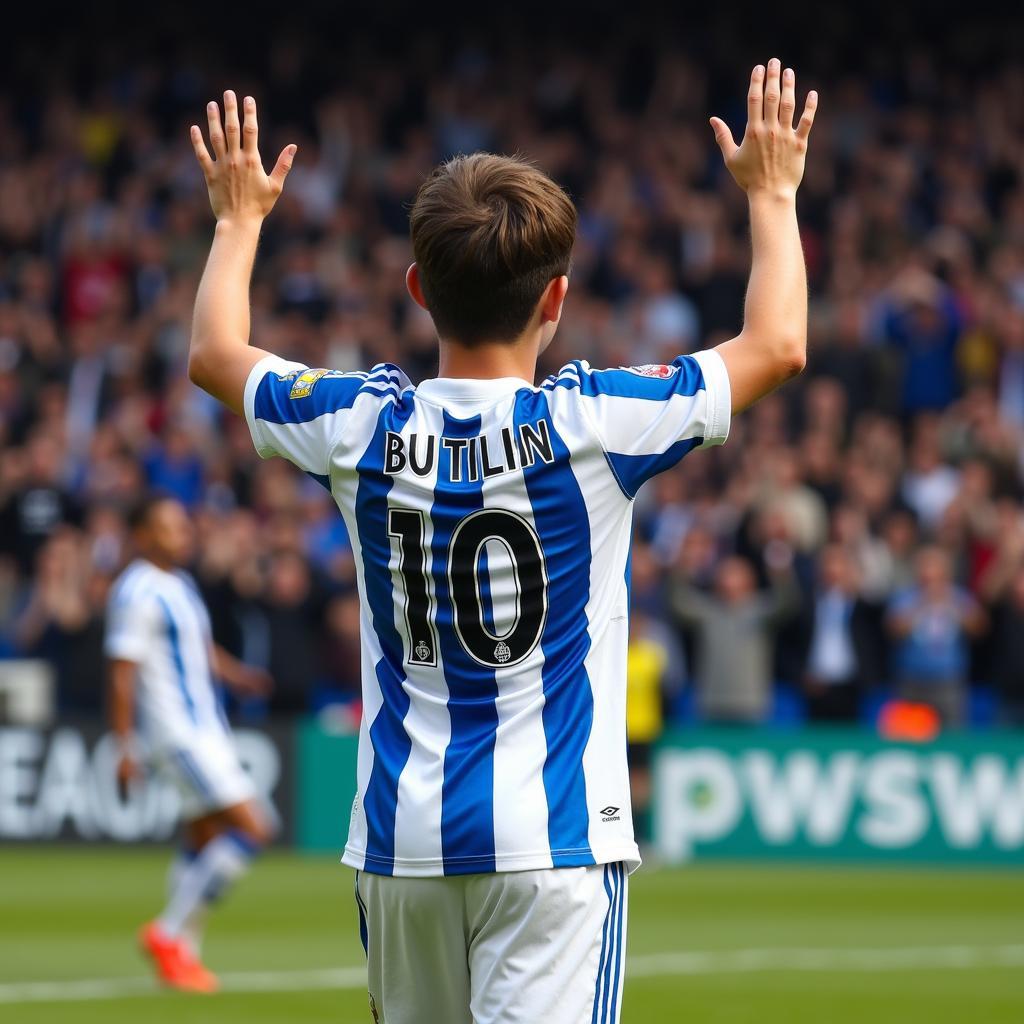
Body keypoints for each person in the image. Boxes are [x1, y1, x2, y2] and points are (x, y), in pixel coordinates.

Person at [185, 58, 816, 1024]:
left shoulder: (359, 427)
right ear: (555, 300)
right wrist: (772, 195)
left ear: (415, 288)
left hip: (402, 843)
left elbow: (215, 355)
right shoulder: (596, 426)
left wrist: (238, 222)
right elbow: (776, 346)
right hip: (554, 844)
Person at [105, 494, 273, 992]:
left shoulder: (178, 584)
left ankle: (182, 958)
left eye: (182, 524)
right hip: (182, 734)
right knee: (253, 829)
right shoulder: (136, 590)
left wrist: (239, 676)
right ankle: (167, 932)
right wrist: (124, 747)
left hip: (203, 728)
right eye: (167, 526)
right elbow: (121, 673)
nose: (181, 533)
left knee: (201, 839)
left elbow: (199, 651)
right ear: (142, 536)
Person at [669, 550, 800, 724]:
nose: (729, 579)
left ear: (749, 578)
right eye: (725, 573)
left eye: (735, 573)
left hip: (750, 705)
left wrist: (782, 576)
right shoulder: (707, 610)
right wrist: (682, 570)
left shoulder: (760, 610)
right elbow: (678, 603)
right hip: (712, 703)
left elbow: (787, 604)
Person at [886, 545, 986, 726]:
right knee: (908, 734)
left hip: (948, 680)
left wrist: (952, 604)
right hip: (911, 679)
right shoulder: (905, 597)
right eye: (925, 566)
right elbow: (894, 631)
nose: (929, 573)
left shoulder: (959, 597)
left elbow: (979, 629)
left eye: (934, 567)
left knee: (951, 735)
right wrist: (922, 603)